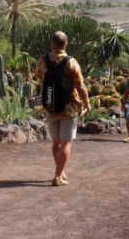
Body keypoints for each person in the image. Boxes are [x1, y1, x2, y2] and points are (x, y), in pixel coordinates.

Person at [34, 31, 90, 186]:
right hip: (69, 107)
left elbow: (39, 76)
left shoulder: (43, 60)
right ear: (66, 44)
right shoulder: (71, 62)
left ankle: (60, 170)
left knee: (56, 141)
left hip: (51, 105)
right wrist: (87, 103)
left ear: (52, 44)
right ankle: (58, 176)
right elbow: (80, 85)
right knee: (66, 142)